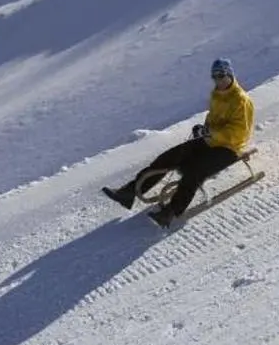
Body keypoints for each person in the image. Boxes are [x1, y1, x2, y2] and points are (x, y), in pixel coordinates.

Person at [103, 57, 256, 225]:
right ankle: (129, 192)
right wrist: (203, 128)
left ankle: (170, 212)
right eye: (214, 76)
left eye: (220, 75)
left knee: (194, 171)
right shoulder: (217, 95)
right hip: (210, 140)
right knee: (170, 157)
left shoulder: (241, 100)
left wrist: (210, 132)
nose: (217, 80)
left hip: (229, 148)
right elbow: (212, 118)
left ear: (229, 74)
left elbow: (239, 133)